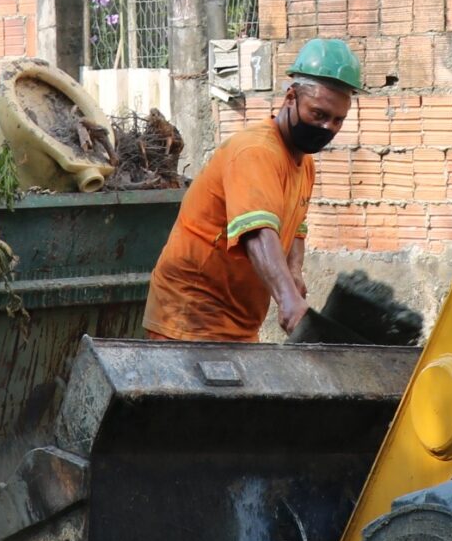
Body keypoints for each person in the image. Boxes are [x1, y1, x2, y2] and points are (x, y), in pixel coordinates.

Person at [144, 37, 360, 342]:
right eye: (319, 114)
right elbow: (258, 232)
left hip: (240, 323)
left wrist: (294, 271)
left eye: (338, 120)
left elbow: (295, 224)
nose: (328, 129)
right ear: (290, 98)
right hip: (189, 316)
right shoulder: (256, 152)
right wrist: (289, 303)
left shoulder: (303, 162)